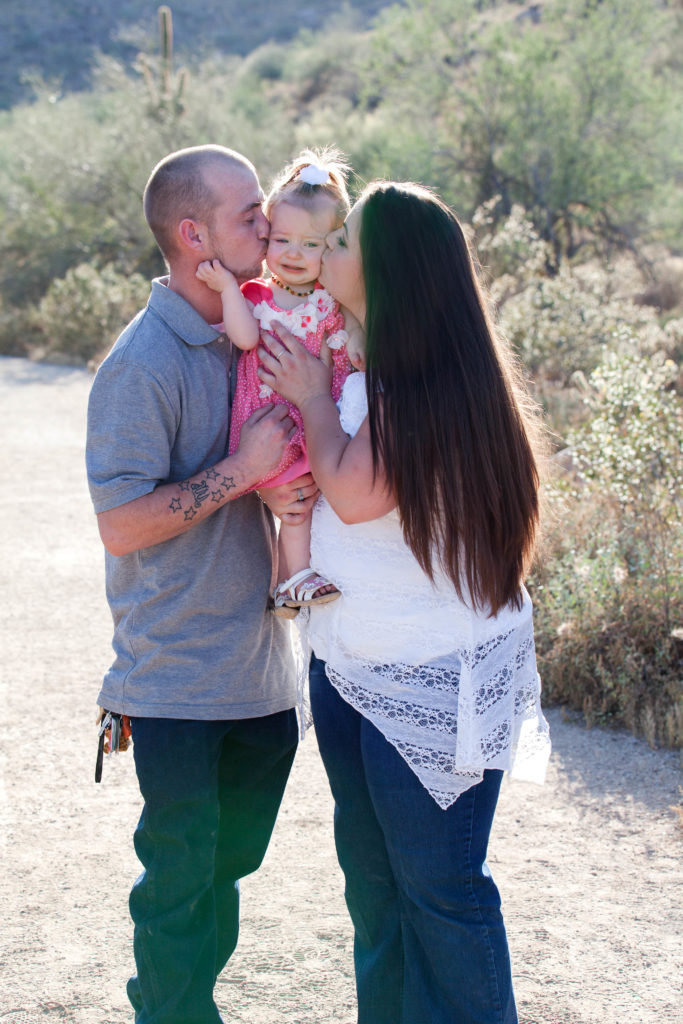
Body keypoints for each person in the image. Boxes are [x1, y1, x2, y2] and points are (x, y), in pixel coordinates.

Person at [258, 180, 552, 1024]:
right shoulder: (377, 367)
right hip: (349, 669)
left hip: (430, 686)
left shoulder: (426, 385)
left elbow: (352, 495)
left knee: (439, 893)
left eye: (344, 242)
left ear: (391, 274)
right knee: (377, 890)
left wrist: (313, 396)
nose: (327, 253)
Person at [85, 144, 316, 1024]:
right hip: (177, 678)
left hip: (262, 677)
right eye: (249, 213)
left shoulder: (251, 327)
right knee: (180, 888)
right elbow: (121, 524)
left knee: (225, 875)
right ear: (194, 236)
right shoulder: (141, 365)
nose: (267, 226)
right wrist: (242, 468)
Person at [196, 147, 365, 617]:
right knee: (295, 504)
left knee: (314, 497)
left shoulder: (332, 300)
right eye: (282, 240)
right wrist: (230, 289)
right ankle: (296, 578)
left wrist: (353, 337)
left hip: (318, 416)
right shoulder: (257, 297)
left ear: (330, 248)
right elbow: (245, 338)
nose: (293, 253)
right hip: (271, 417)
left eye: (310, 245)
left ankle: (291, 580)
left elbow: (348, 337)